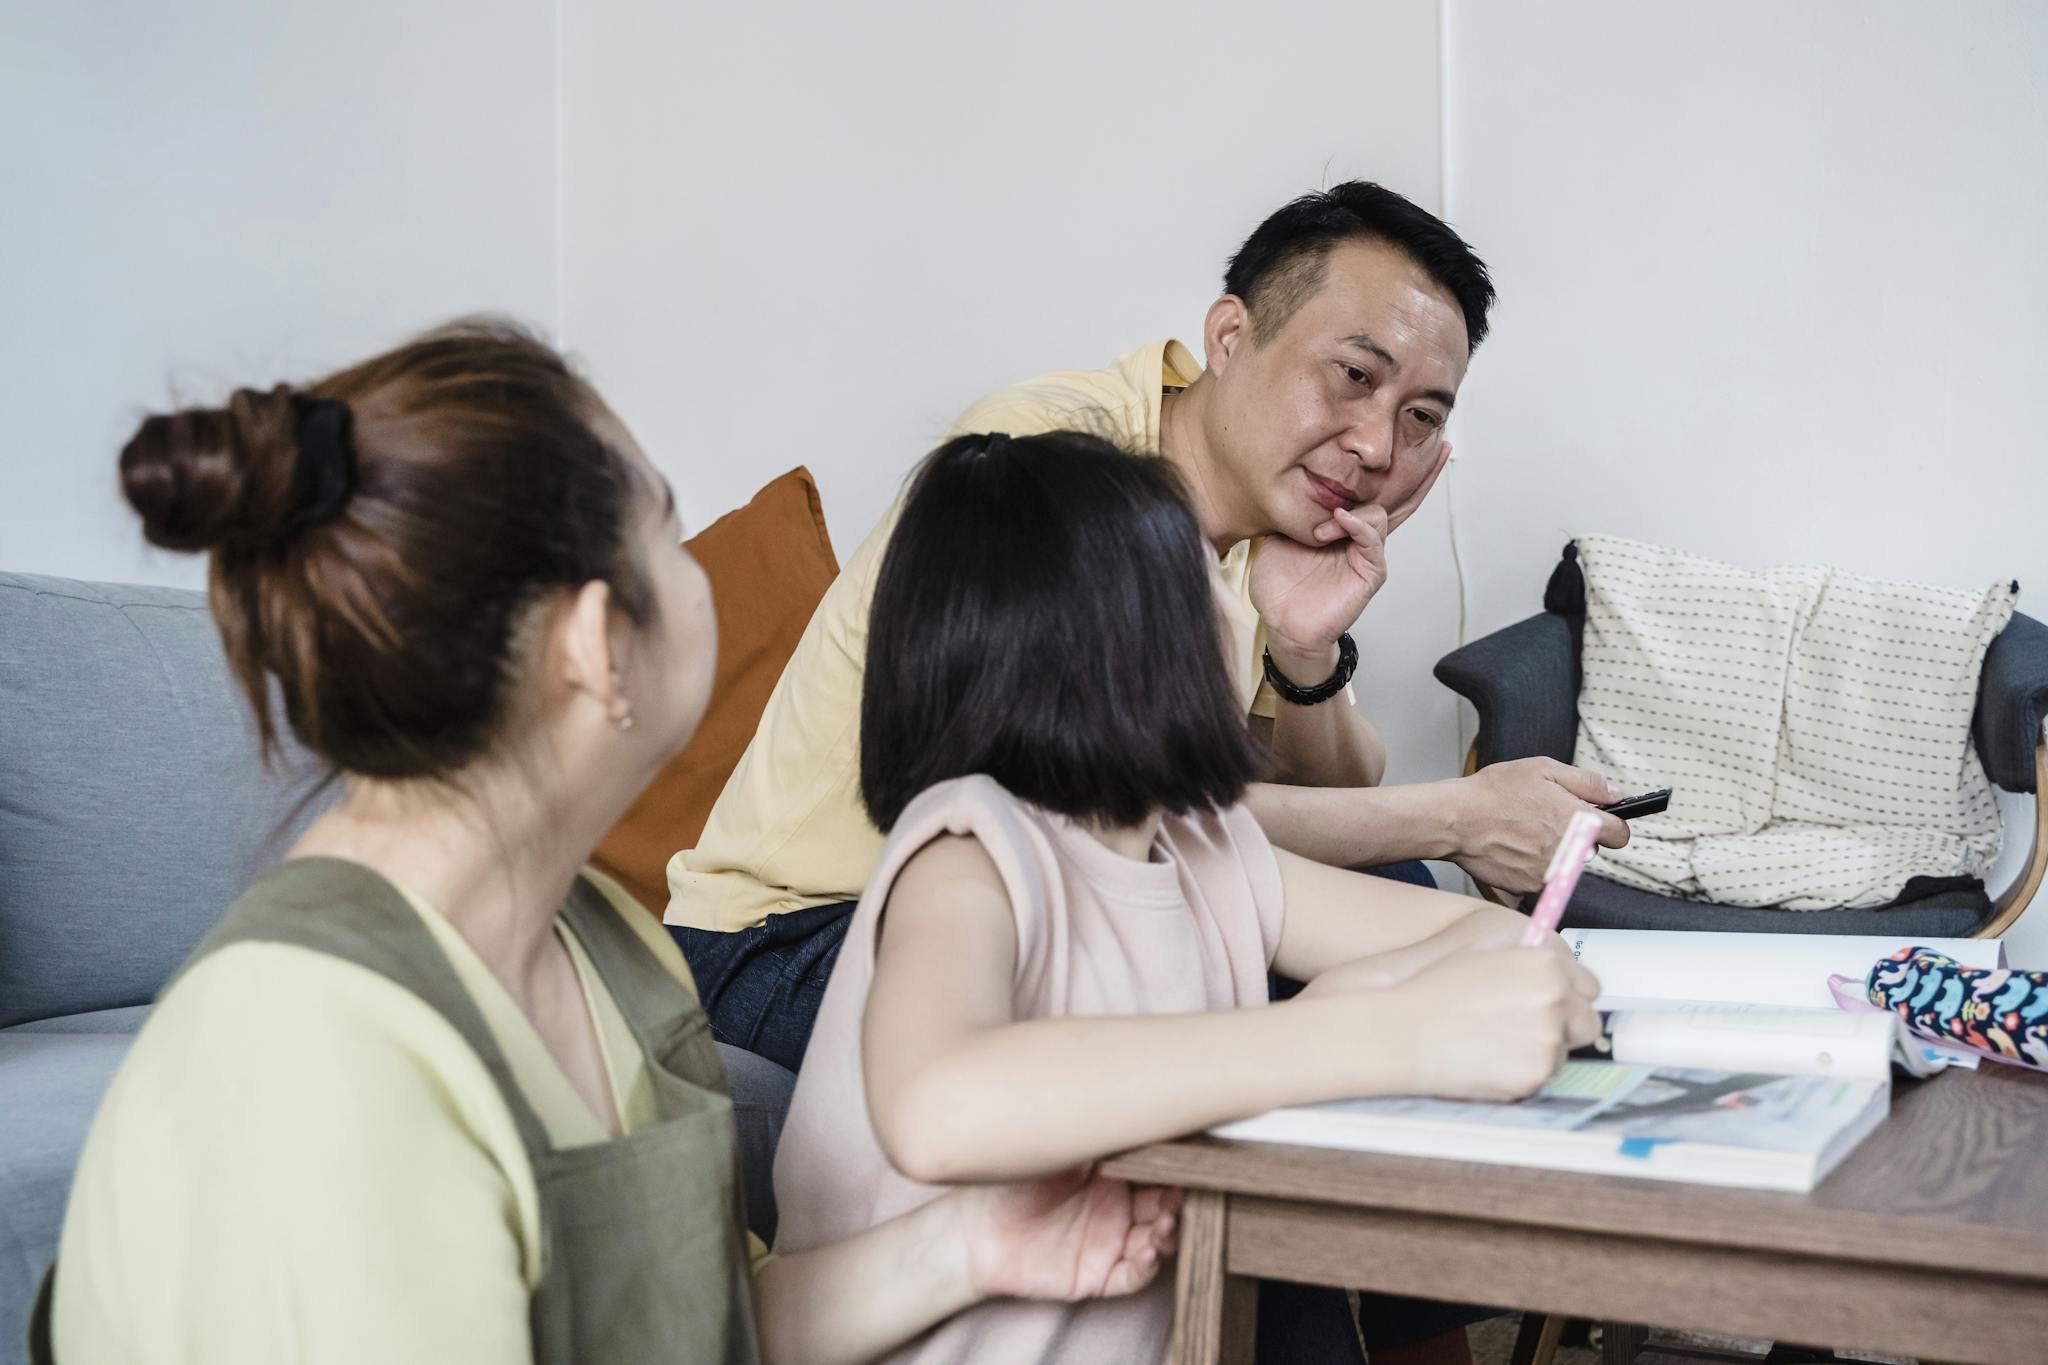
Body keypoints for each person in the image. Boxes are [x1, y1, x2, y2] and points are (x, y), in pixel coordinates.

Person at [34, 323, 1181, 1365]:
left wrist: (972, 1247)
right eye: (670, 538)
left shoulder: (598, 942)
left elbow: (700, 1323)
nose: (697, 584)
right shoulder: (310, 1050)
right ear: (595, 640)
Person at [665, 180, 1628, 1077]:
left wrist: (1303, 650)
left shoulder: (1272, 510)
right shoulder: (1053, 464)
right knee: (1261, 966)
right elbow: (1105, 813)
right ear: (1229, 335)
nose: (1377, 446)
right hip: (802, 931)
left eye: (1418, 416)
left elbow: (1329, 801)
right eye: (1352, 375)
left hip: (1035, 891)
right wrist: (1460, 816)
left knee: (1405, 892)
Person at [772, 431, 1603, 1365]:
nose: (1237, 598)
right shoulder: (969, 849)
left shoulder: (1203, 844)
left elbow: (1480, 933)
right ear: (1124, 640)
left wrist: (1394, 1000)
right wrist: (1375, 1032)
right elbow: (938, 1104)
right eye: (1212, 574)